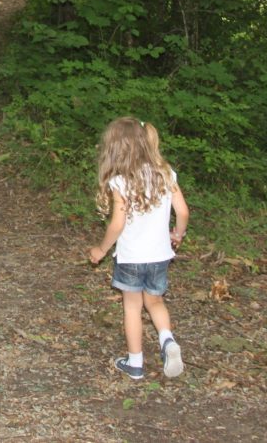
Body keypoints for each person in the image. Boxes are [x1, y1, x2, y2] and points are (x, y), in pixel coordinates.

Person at [88, 117, 190, 380]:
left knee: (132, 307)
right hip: (160, 255)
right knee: (155, 302)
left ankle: (135, 363)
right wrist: (177, 235)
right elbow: (183, 211)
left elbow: (117, 224)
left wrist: (101, 249)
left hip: (132, 257)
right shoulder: (166, 174)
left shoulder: (121, 181)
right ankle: (167, 340)